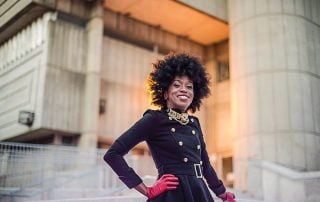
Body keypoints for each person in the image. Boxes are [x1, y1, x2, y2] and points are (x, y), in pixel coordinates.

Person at [104, 53, 236, 202]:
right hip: (171, 195)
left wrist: (223, 193)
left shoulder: (194, 123)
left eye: (189, 86)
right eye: (177, 85)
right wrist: (147, 190)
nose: (184, 89)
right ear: (165, 93)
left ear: (195, 94)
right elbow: (113, 154)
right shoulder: (154, 119)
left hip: (199, 193)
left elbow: (205, 165)